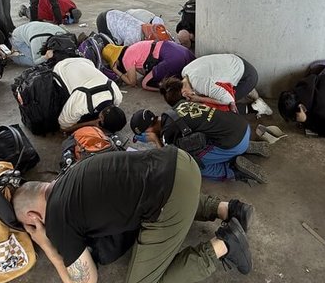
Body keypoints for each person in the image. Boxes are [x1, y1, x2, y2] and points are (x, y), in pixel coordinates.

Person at [11, 146, 255, 283]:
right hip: (179, 161)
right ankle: (228, 209)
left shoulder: (57, 221)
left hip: (171, 200)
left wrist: (47, 246)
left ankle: (225, 243)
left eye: (27, 226)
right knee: (153, 191)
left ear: (33, 216)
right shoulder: (70, 174)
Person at [130, 105, 269, 182]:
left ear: (148, 129)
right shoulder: (175, 108)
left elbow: (167, 161)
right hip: (243, 127)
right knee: (202, 135)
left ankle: (234, 170)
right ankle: (246, 146)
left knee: (191, 165)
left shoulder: (167, 132)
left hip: (234, 142)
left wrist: (155, 140)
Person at [160, 54, 273, 116]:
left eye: (187, 100)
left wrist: (198, 98)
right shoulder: (185, 72)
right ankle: (248, 91)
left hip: (247, 76)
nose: (190, 101)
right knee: (210, 96)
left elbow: (228, 100)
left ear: (184, 93)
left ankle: (257, 107)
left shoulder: (199, 83)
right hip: (236, 62)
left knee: (218, 110)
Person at [52, 57, 125, 133]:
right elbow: (63, 128)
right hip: (61, 67)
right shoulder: (81, 103)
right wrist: (90, 123)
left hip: (85, 61)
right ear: (101, 118)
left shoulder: (117, 94)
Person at [102, 40, 195, 91]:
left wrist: (116, 71)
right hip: (175, 49)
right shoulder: (133, 47)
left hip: (173, 59)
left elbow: (132, 82)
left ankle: (175, 90)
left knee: (145, 83)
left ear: (115, 61)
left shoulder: (126, 58)